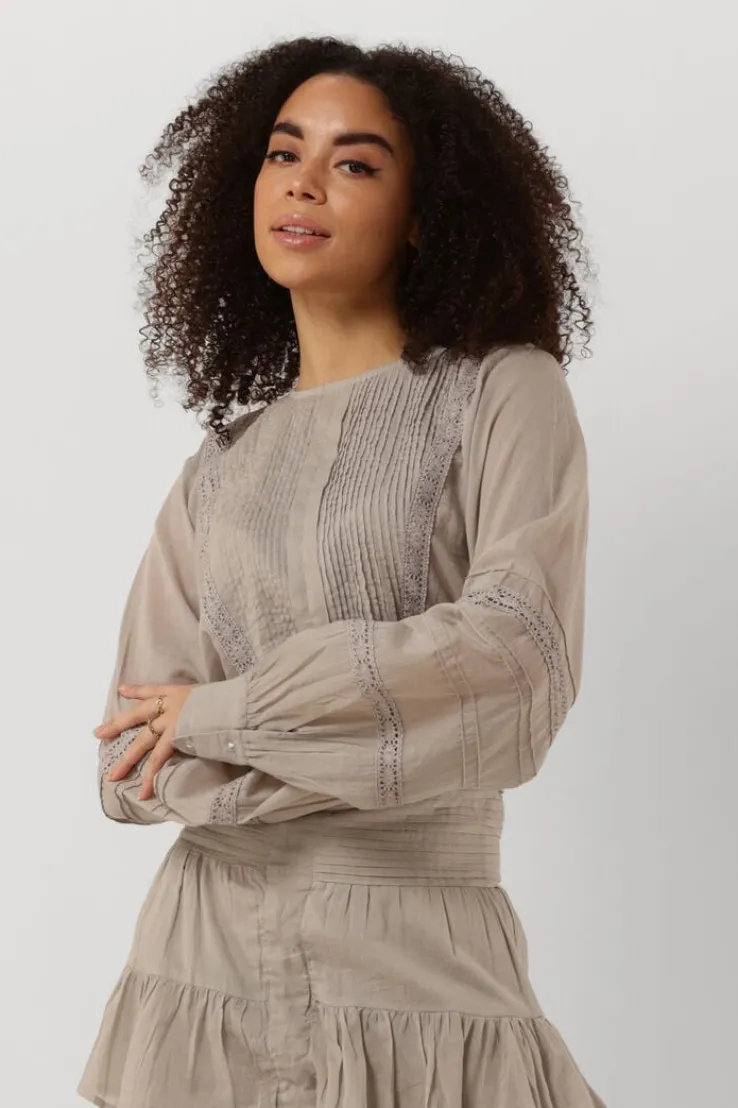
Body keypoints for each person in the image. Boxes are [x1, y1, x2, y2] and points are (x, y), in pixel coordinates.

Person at [77, 34, 606, 1108]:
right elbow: (131, 758)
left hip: (415, 958)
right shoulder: (218, 469)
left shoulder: (504, 393)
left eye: (355, 162)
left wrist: (226, 717)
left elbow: (516, 662)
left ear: (423, 214)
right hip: (199, 960)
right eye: (284, 154)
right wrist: (368, 744)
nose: (304, 183)